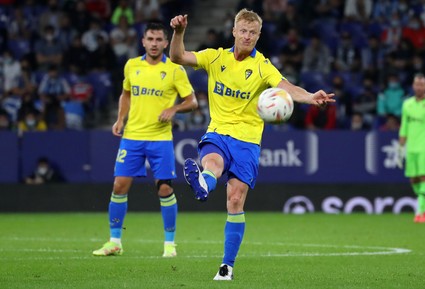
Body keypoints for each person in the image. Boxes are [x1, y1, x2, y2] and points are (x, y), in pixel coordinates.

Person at [169, 9, 334, 280]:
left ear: (258, 36)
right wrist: (178, 32)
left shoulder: (262, 66)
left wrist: (309, 97)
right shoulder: (215, 57)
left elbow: (286, 87)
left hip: (247, 141)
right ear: (234, 31)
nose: (247, 36)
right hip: (219, 132)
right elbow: (177, 56)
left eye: (252, 33)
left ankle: (226, 266)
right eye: (243, 31)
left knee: (235, 200)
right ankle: (203, 181)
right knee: (213, 162)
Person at [93, 22, 197, 258]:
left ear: (166, 43)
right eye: (150, 39)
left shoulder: (174, 69)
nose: (154, 43)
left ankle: (170, 244)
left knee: (164, 189)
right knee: (119, 185)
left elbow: (193, 102)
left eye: (159, 39)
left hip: (160, 139)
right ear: (143, 41)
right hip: (132, 137)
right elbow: (126, 94)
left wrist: (175, 109)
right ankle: (115, 242)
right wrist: (120, 119)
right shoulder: (132, 66)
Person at [398, 73, 425, 223]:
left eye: (422, 84)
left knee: (424, 176)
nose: (419, 87)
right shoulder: (407, 104)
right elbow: (404, 125)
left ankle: (420, 212)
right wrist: (401, 145)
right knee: (414, 179)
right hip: (412, 147)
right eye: (417, 84)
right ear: (413, 86)